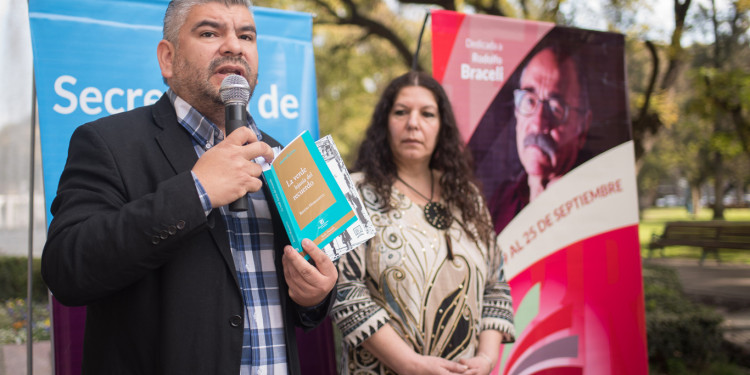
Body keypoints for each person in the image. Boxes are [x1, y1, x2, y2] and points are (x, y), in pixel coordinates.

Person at [41, 1, 337, 374]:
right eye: (210, 32)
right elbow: (67, 269)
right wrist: (197, 191)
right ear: (168, 58)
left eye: (246, 35)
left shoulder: (283, 158)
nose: (234, 46)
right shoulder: (107, 143)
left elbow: (295, 301)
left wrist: (315, 294)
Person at [330, 71, 515, 375]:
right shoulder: (354, 192)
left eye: (427, 114)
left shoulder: (466, 197)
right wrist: (411, 365)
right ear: (384, 123)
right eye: (401, 112)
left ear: (442, 127)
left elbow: (496, 285)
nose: (413, 123)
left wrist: (486, 359)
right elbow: (345, 292)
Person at [488, 45, 592, 233]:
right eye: (529, 100)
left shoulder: (596, 210)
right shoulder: (500, 202)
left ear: (582, 126)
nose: (537, 123)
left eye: (556, 108)